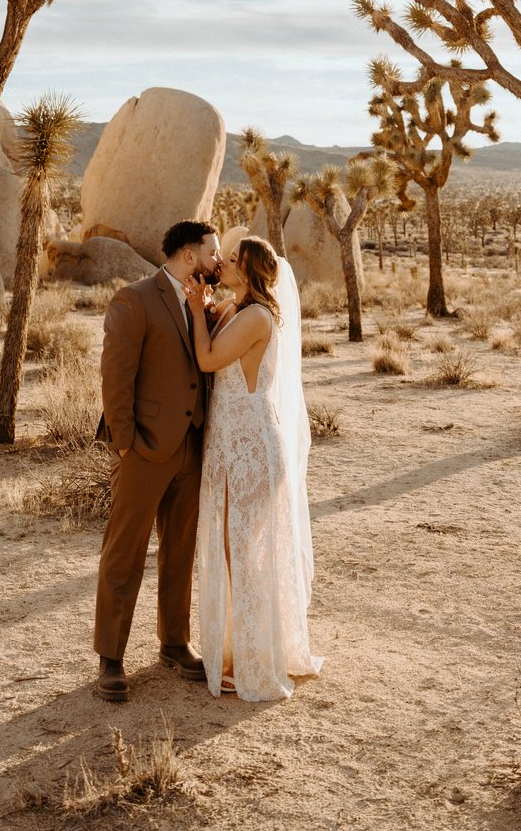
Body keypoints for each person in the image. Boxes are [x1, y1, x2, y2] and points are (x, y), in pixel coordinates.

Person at [185, 235, 323, 701]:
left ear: (249, 271)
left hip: (250, 447)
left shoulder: (258, 317)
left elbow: (207, 357)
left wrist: (194, 306)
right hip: (232, 444)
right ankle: (242, 651)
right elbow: (213, 324)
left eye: (232, 259)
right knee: (235, 551)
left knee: (242, 553)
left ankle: (248, 661)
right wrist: (205, 306)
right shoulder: (238, 309)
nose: (221, 262)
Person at [93, 219, 223, 702]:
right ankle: (111, 657)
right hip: (144, 447)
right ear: (189, 255)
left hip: (192, 445)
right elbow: (116, 374)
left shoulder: (203, 301)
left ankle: (174, 642)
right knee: (124, 554)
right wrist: (124, 442)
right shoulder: (136, 299)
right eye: (213, 252)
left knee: (180, 552)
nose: (219, 261)